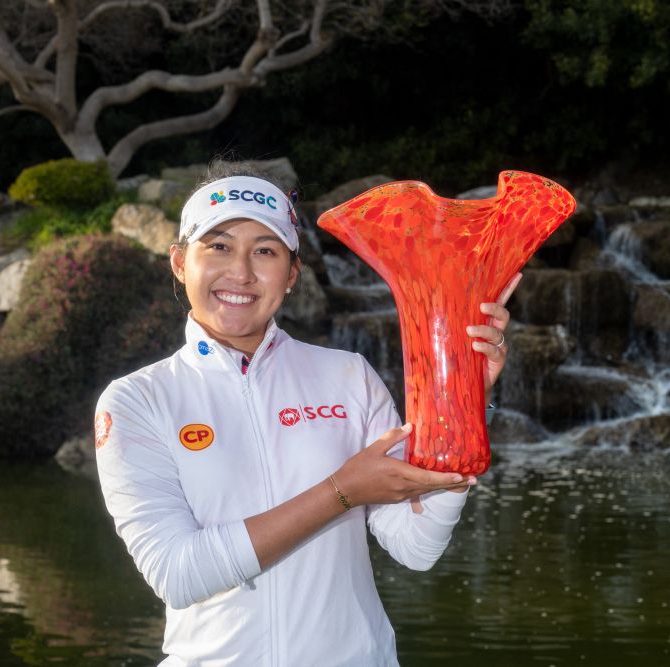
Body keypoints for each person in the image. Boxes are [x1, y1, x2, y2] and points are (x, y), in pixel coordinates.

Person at [95, 165, 519, 666]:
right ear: (179, 262)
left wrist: (460, 397)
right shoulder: (137, 400)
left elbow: (416, 547)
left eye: (265, 251)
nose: (241, 272)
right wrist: (341, 492)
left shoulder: (348, 375)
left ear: (292, 274)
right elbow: (178, 573)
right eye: (219, 246)